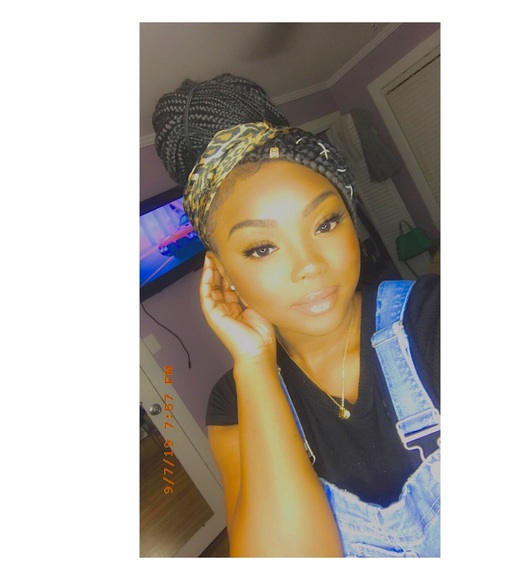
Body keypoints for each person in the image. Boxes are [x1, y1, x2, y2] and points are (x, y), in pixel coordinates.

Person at [153, 74, 440, 558]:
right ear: (223, 272)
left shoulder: (432, 318)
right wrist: (254, 363)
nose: (309, 265)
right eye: (262, 247)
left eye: (325, 223)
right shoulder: (234, 402)